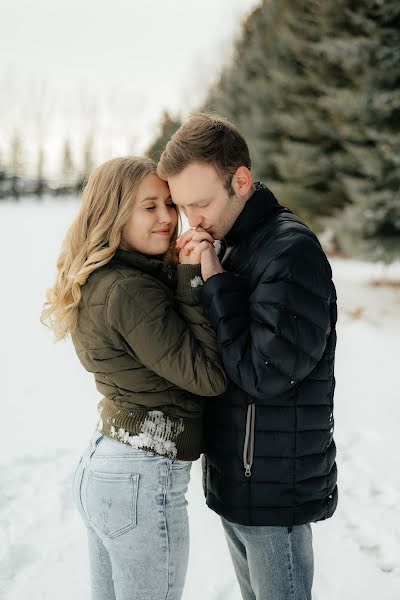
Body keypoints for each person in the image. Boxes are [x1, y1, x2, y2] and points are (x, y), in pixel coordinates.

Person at [157, 113, 338, 600]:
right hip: (241, 482)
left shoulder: (289, 251)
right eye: (183, 207)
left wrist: (215, 282)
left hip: (274, 490)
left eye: (201, 203)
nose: (193, 219)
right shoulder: (233, 245)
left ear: (240, 180)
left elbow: (266, 373)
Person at [41, 156, 227, 600]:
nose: (166, 218)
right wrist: (191, 280)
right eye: (149, 207)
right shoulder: (128, 289)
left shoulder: (109, 278)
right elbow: (209, 376)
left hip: (110, 464)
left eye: (168, 204)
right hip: (142, 474)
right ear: (115, 211)